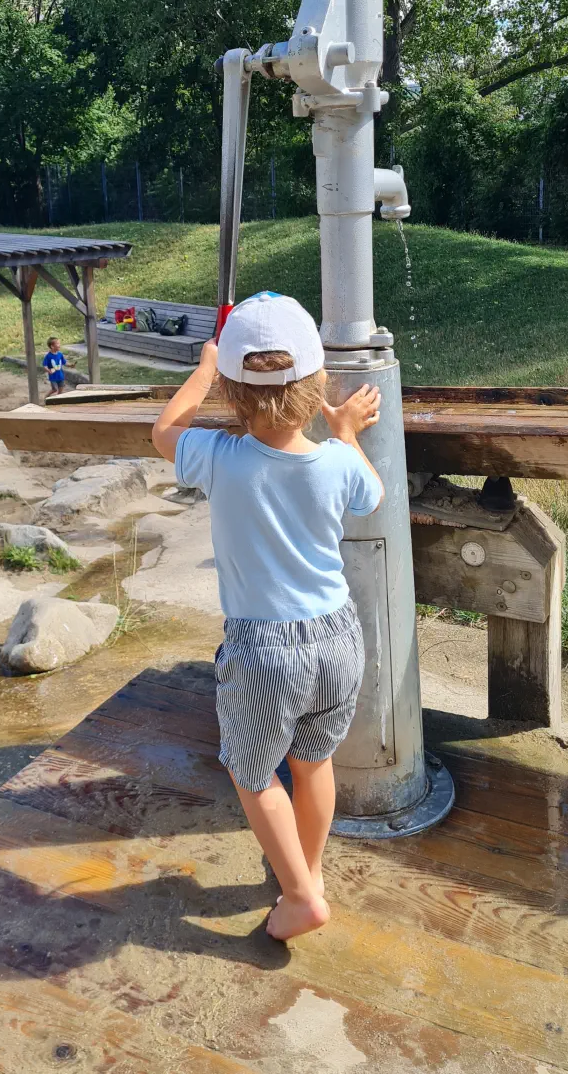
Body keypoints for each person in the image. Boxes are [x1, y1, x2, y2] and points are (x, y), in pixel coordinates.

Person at [151, 292, 383, 942]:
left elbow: (162, 433)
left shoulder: (221, 458)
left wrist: (199, 371)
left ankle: (304, 897)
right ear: (317, 384)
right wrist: (343, 433)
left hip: (264, 652)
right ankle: (304, 874)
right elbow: (374, 492)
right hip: (339, 637)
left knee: (253, 773)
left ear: (231, 389)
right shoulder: (336, 460)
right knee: (314, 763)